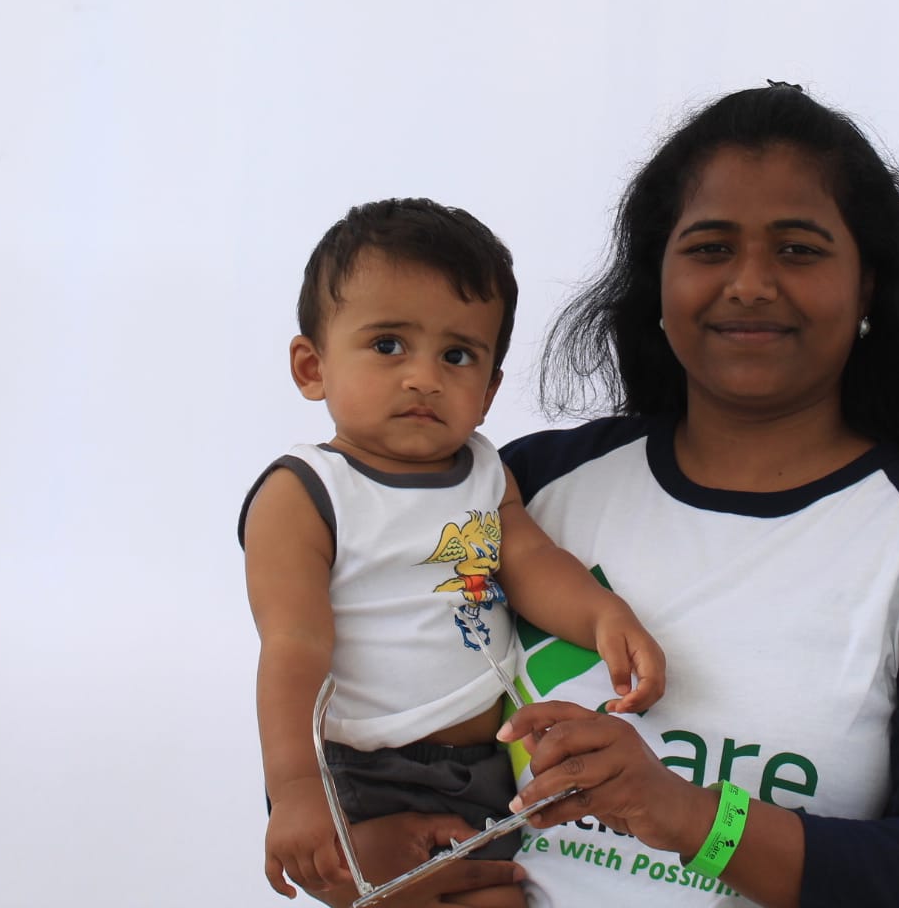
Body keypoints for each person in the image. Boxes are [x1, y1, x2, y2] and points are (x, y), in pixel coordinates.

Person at [305, 84, 899, 908]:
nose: (750, 283)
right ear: (658, 283)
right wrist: (359, 854)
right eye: (709, 248)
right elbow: (353, 691)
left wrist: (693, 817)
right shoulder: (522, 491)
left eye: (798, 249)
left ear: (868, 287)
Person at [238, 198, 666, 905]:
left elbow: (530, 564)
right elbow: (293, 649)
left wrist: (601, 616)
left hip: (486, 765)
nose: (424, 377)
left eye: (458, 355)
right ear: (312, 367)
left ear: (489, 389)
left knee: (502, 896)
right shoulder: (306, 493)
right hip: (365, 773)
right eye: (388, 345)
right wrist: (295, 791)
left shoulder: (485, 472)